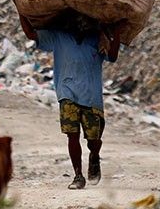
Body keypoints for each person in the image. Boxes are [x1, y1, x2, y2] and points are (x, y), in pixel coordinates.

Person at [18, 13, 120, 190]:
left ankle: (94, 156)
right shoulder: (58, 37)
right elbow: (31, 34)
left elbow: (112, 56)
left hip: (92, 97)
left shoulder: (98, 39)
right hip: (67, 93)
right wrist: (21, 12)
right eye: (77, 20)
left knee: (93, 140)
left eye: (84, 21)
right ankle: (78, 175)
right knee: (72, 135)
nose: (80, 24)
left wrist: (116, 32)